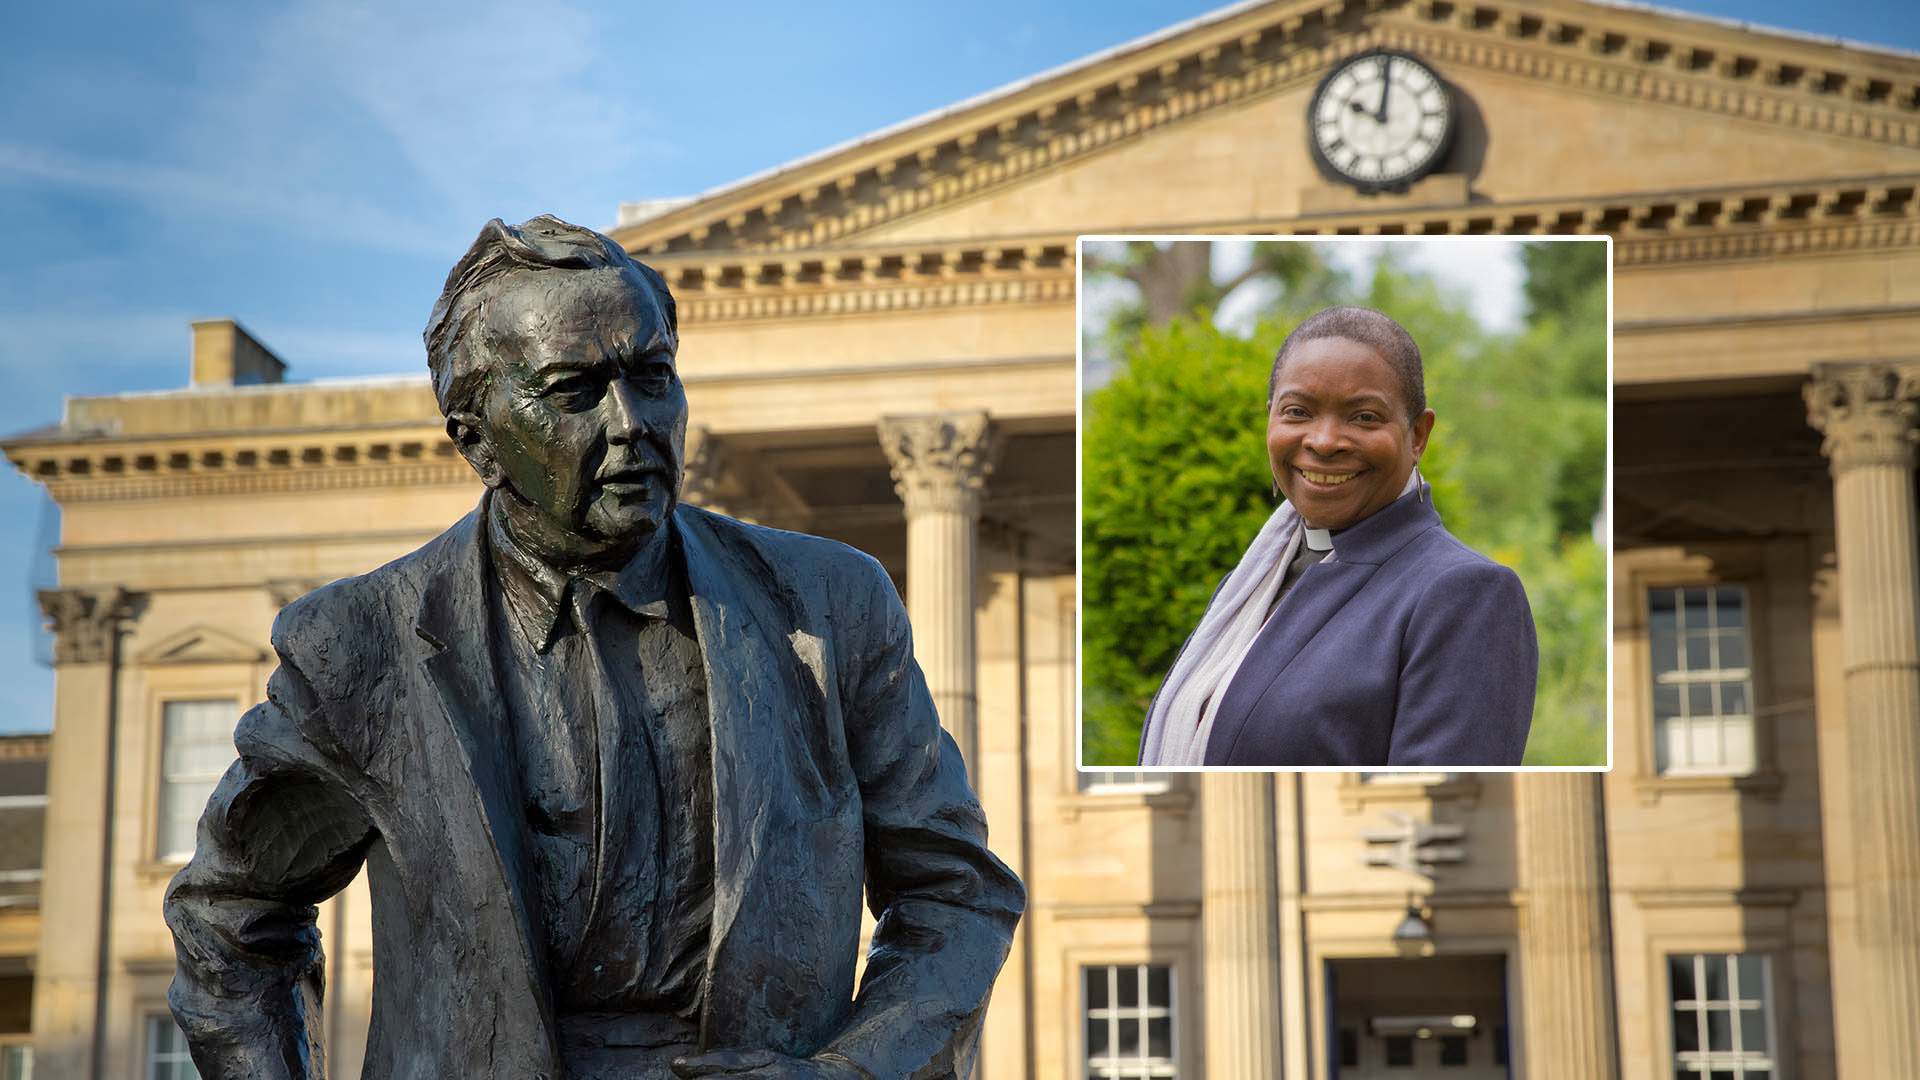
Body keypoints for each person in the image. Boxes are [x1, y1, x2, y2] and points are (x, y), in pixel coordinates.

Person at [164, 215, 1024, 1080]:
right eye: (574, 391)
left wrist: (853, 1073)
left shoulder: (830, 604)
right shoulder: (361, 646)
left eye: (653, 377)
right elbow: (231, 920)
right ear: (476, 437)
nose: (631, 424)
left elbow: (955, 891)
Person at [1137, 306, 1536, 767]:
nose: (1324, 440)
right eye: (1297, 412)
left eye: (1364, 417)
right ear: (1271, 420)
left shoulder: (1464, 594)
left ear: (1418, 435)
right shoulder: (1245, 588)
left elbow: (1439, 797)